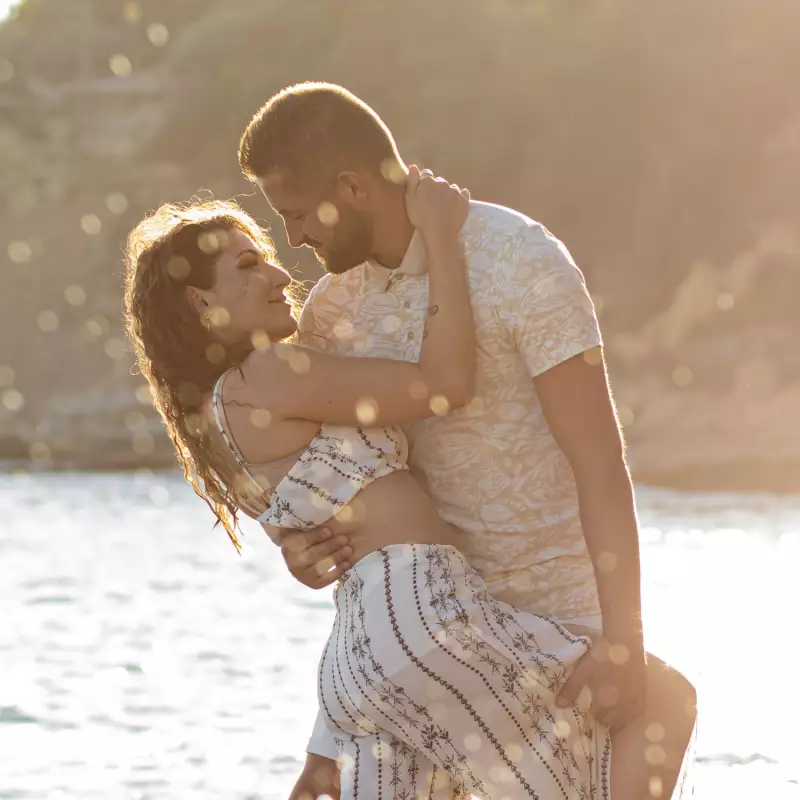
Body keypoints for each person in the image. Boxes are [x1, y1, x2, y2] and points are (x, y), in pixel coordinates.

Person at [237, 82, 697, 800]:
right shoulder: (332, 313)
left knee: (668, 711)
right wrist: (302, 546)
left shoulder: (517, 259)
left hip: (566, 637)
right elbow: (350, 499)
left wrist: (620, 639)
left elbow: (600, 466)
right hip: (443, 649)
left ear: (351, 187)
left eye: (296, 215)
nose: (294, 239)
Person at [123, 175, 614, 799]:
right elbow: (444, 384)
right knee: (656, 711)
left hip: (358, 661)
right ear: (200, 304)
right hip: (425, 620)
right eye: (250, 265)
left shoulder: (215, 422)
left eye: (271, 257)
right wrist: (440, 238)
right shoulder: (271, 373)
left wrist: (322, 739)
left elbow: (314, 542)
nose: (279, 275)